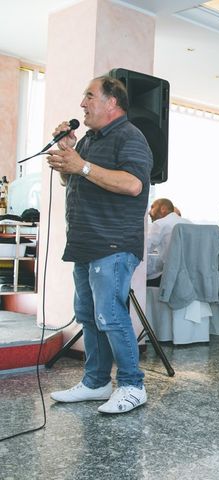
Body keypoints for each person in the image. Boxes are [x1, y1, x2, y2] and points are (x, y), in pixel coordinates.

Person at [47, 76, 153, 414]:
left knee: (110, 314)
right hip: (85, 242)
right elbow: (72, 176)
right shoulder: (89, 140)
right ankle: (96, 382)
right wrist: (68, 153)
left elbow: (133, 184)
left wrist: (83, 165)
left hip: (113, 243)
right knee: (88, 315)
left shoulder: (131, 137)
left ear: (112, 102)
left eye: (89, 96)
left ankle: (133, 385)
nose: (82, 103)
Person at [147, 197, 191, 287]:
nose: (149, 212)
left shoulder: (159, 223)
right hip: (190, 276)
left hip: (170, 278)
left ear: (163, 209)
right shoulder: (189, 223)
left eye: (152, 207)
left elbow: (145, 249)